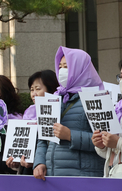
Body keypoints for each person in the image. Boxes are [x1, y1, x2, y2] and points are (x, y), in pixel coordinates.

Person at [33, 46, 105, 181]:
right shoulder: (54, 98)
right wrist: (40, 162)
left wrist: (70, 136)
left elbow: (106, 142)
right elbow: (43, 138)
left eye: (66, 66)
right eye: (60, 66)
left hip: (83, 177)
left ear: (81, 69)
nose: (61, 71)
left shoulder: (96, 98)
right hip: (53, 176)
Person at [9, 70, 59, 174]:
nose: (33, 94)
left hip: (46, 172)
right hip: (27, 171)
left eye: (38, 89)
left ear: (51, 89)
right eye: (31, 90)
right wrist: (16, 161)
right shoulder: (29, 112)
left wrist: (37, 161)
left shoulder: (58, 112)